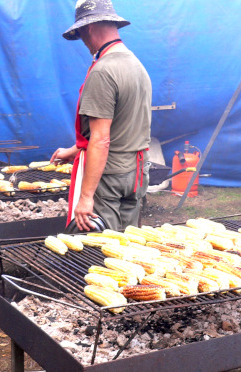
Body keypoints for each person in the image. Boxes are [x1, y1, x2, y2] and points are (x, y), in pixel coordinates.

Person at [51, 0, 152, 232]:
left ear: (88, 28)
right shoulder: (137, 66)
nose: (83, 42)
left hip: (111, 176)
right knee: (128, 242)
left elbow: (101, 139)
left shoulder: (103, 71)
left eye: (81, 34)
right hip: (136, 173)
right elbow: (123, 128)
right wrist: (73, 151)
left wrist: (86, 197)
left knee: (101, 247)